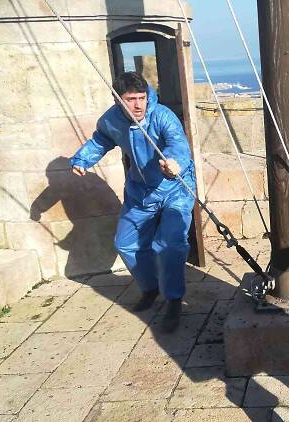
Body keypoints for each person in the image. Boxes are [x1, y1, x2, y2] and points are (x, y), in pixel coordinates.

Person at [69, 72, 196, 333]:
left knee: (169, 244)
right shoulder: (112, 119)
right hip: (141, 191)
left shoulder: (162, 116)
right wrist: (83, 159)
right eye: (131, 99)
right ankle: (150, 288)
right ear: (118, 100)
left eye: (142, 98)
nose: (138, 105)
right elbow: (101, 139)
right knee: (125, 243)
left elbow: (177, 144)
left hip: (175, 187)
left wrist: (174, 163)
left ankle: (173, 299)